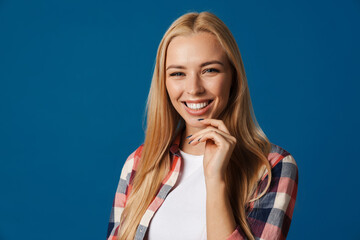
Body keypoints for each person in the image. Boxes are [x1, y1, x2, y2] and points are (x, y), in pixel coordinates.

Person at [106, 11, 298, 240]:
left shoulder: (272, 167)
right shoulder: (138, 164)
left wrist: (216, 180)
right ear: (164, 84)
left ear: (233, 77)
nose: (194, 88)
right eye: (178, 73)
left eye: (209, 70)